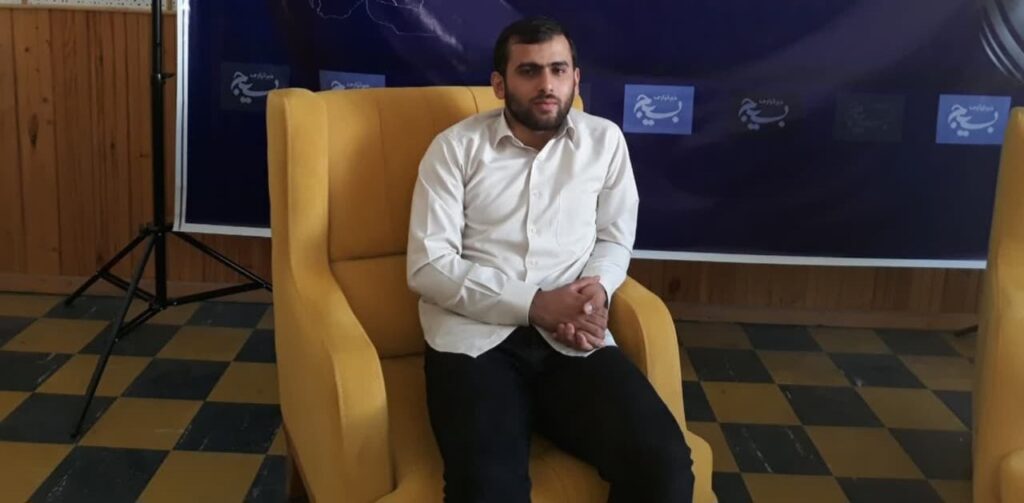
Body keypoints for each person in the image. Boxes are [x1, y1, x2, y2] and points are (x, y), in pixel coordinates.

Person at [406, 16, 695, 503]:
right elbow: (427, 265)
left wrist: (595, 292)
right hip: (474, 341)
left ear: (575, 79)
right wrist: (536, 304)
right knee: (489, 490)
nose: (547, 84)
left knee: (663, 465)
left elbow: (614, 238)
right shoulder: (455, 149)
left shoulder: (605, 142)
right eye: (529, 71)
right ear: (499, 84)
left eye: (559, 70)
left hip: (572, 339)